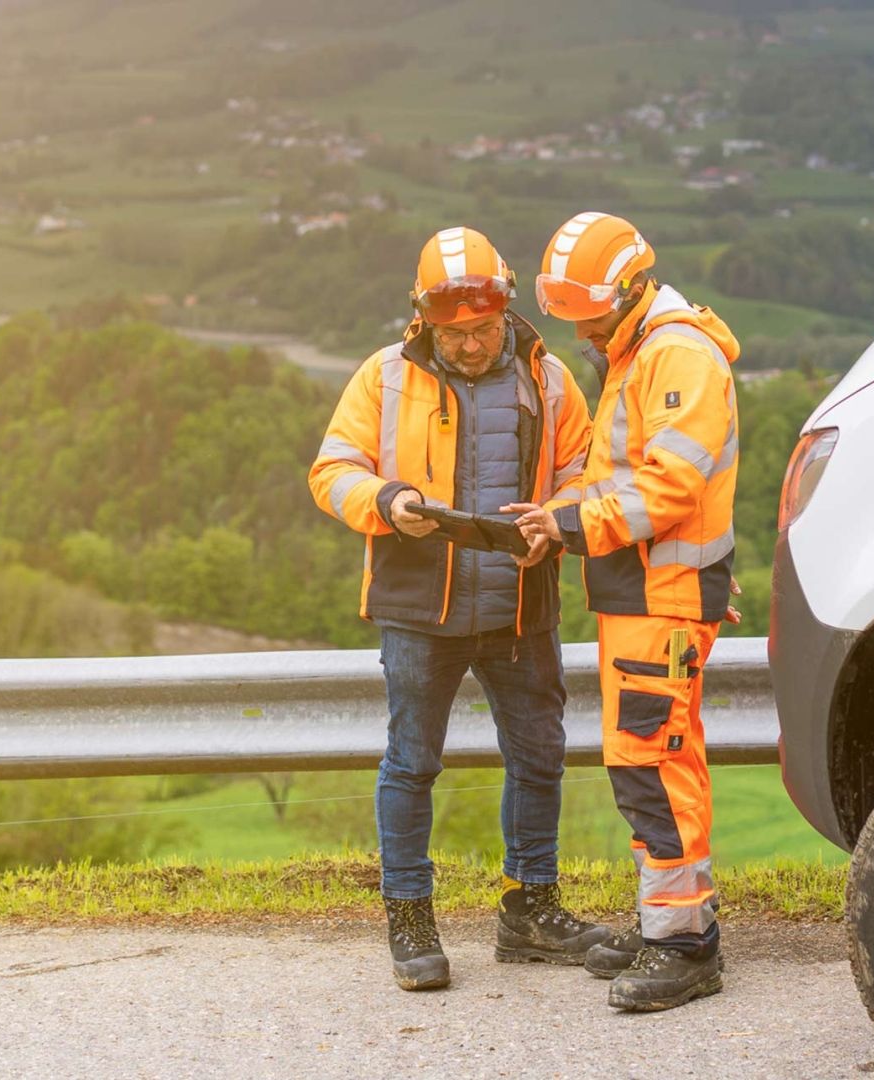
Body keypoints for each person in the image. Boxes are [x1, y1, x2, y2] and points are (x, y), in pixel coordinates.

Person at [308, 226, 608, 992]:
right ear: (424, 320)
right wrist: (386, 499)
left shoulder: (549, 381)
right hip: (417, 608)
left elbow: (583, 475)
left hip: (520, 604)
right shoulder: (383, 379)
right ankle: (410, 918)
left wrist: (556, 523)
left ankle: (530, 910)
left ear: (505, 310)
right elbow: (331, 469)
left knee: (539, 759)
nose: (471, 346)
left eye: (482, 330)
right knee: (412, 765)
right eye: (454, 333)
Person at [508, 211, 741, 1012]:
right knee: (651, 758)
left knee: (651, 764)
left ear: (635, 289)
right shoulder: (640, 349)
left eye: (592, 313)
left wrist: (568, 523)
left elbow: (671, 487)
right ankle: (674, 927)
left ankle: (683, 948)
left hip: (657, 599)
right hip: (647, 596)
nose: (582, 329)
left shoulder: (674, 354)